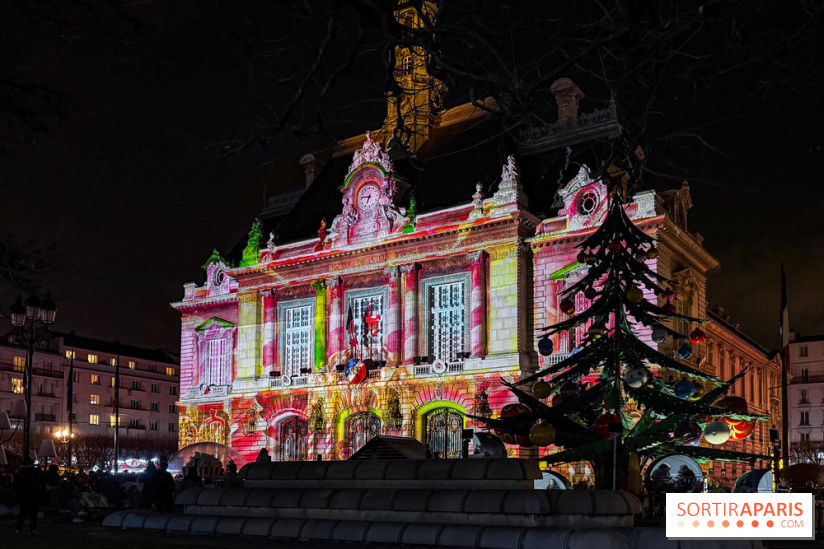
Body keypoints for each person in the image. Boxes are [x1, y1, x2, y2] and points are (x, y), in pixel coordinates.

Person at [13, 457, 45, 534]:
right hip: (34, 494)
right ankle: (32, 529)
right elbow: (41, 482)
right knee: (33, 513)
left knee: (22, 512)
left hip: (23, 495)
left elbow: (15, 486)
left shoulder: (19, 474)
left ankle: (19, 528)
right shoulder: (37, 472)